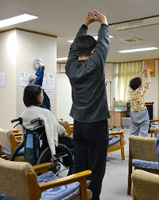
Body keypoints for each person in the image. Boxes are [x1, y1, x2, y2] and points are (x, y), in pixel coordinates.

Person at [65, 10, 110, 200]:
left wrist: (85, 24)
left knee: (80, 166)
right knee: (96, 168)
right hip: (96, 124)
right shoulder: (96, 64)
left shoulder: (70, 67)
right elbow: (104, 44)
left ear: (77, 52)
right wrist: (104, 23)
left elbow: (72, 49)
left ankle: (80, 196)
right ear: (93, 52)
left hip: (79, 125)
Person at [20, 85, 68, 157]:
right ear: (37, 97)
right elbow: (60, 131)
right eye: (42, 94)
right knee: (74, 144)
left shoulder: (23, 114)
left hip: (32, 144)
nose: (43, 97)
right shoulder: (45, 113)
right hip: (46, 143)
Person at [129, 65, 151, 137]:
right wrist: (147, 72)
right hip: (142, 113)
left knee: (133, 132)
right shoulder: (141, 90)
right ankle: (144, 147)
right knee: (144, 132)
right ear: (139, 84)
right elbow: (149, 81)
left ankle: (132, 147)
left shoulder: (131, 91)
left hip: (133, 113)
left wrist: (142, 71)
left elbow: (135, 80)